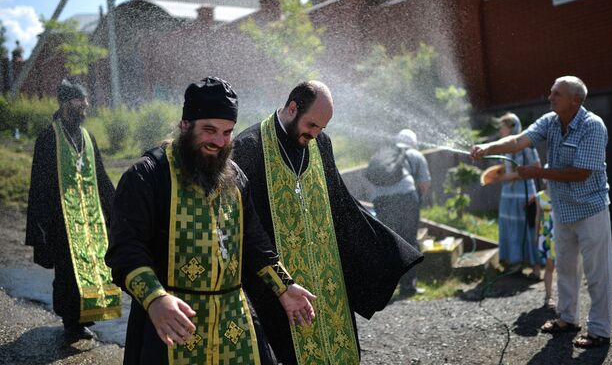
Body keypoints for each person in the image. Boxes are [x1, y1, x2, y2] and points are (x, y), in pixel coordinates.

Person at [105, 77, 316, 364]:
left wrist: (285, 286)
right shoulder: (147, 176)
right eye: (209, 130)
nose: (219, 141)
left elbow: (255, 243)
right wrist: (155, 299)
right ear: (185, 125)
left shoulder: (235, 177)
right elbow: (125, 250)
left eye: (227, 132)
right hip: (172, 322)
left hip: (233, 323)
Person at [232, 81, 423, 364]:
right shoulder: (249, 146)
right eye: (311, 125)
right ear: (293, 108)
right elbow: (248, 227)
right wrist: (279, 283)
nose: (316, 133)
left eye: (322, 127)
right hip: (279, 287)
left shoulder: (321, 143)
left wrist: (387, 251)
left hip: (326, 280)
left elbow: (342, 204)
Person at [471, 76, 612, 349]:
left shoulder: (592, 126)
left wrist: (539, 172)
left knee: (598, 273)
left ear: (575, 99)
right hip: (562, 210)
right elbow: (518, 141)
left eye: (556, 94)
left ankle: (600, 330)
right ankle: (568, 318)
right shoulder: (550, 121)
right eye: (551, 92)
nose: (550, 98)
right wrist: (488, 148)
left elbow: (581, 173)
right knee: (565, 268)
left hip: (590, 209)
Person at [25, 79, 121, 342]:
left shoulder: (88, 138)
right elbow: (40, 186)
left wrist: (116, 210)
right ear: (67, 103)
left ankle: (85, 317)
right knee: (67, 273)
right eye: (80, 100)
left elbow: (100, 177)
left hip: (90, 220)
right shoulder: (48, 138)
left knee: (93, 267)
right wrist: (40, 229)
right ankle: (71, 322)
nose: (85, 105)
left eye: (86, 100)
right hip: (61, 221)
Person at [371, 129, 431, 296]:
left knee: (389, 241)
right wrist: (417, 200)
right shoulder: (414, 154)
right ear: (413, 142)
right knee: (408, 240)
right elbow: (424, 183)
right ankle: (408, 287)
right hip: (405, 197)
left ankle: (386, 289)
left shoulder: (383, 154)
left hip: (380, 200)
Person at [494, 113, 543, 279]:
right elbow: (507, 168)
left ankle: (536, 267)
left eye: (503, 127)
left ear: (512, 127)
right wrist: (498, 173)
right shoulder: (505, 147)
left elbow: (536, 167)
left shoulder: (526, 145)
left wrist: (510, 176)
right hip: (508, 194)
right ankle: (516, 262)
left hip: (524, 193)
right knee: (511, 227)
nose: (501, 130)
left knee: (528, 227)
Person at [534, 184, 556, 308]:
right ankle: (549, 296)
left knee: (565, 268)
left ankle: (566, 299)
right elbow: (537, 217)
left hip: (560, 233)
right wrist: (536, 235)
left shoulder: (561, 193)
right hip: (546, 234)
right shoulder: (539, 196)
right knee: (549, 266)